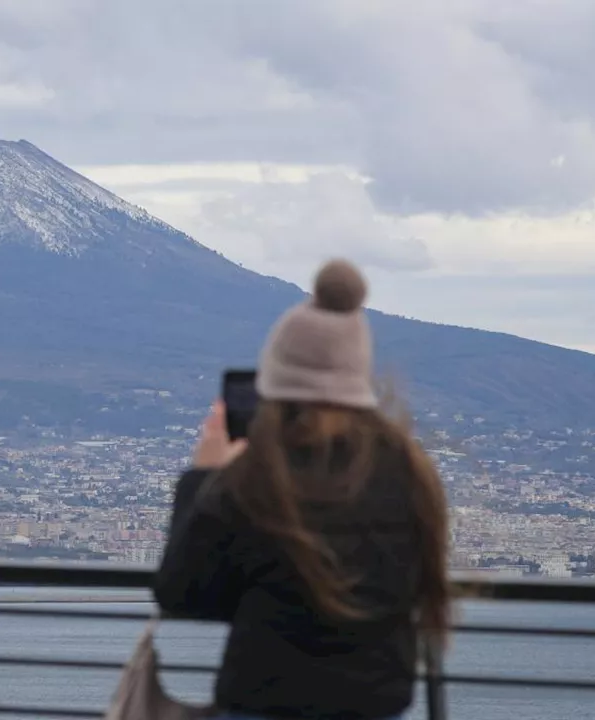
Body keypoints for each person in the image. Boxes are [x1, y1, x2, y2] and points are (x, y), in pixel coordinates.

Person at [153, 259, 451, 720]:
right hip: (378, 706)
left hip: (266, 703)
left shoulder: (256, 477)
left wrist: (203, 476)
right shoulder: (408, 470)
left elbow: (183, 593)